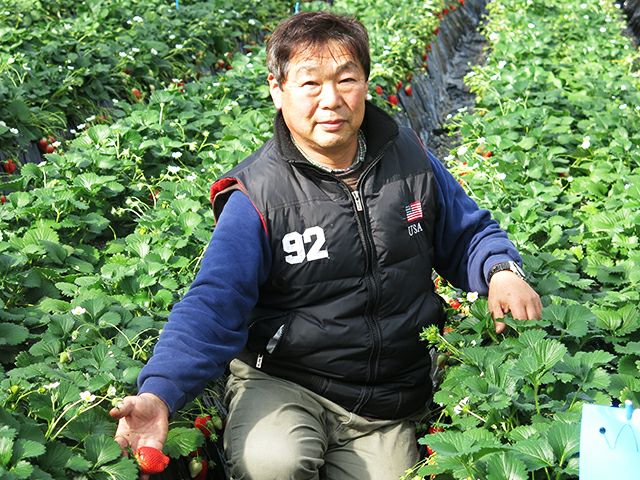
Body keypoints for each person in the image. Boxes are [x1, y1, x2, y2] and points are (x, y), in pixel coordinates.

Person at [110, 11, 542, 480]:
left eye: (346, 79)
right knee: (273, 463)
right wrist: (160, 393)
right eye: (310, 84)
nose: (331, 100)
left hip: (385, 399)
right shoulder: (258, 196)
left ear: (366, 83)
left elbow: (468, 233)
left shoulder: (410, 160)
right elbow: (213, 303)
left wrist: (501, 270)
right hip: (286, 380)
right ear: (278, 90)